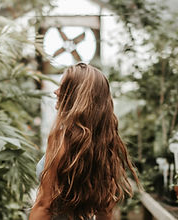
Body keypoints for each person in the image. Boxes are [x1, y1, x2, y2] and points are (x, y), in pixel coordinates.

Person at [29, 63, 140, 220]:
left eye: (62, 87)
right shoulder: (105, 143)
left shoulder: (61, 139)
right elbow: (105, 211)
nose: (56, 91)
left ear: (74, 95)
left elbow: (44, 206)